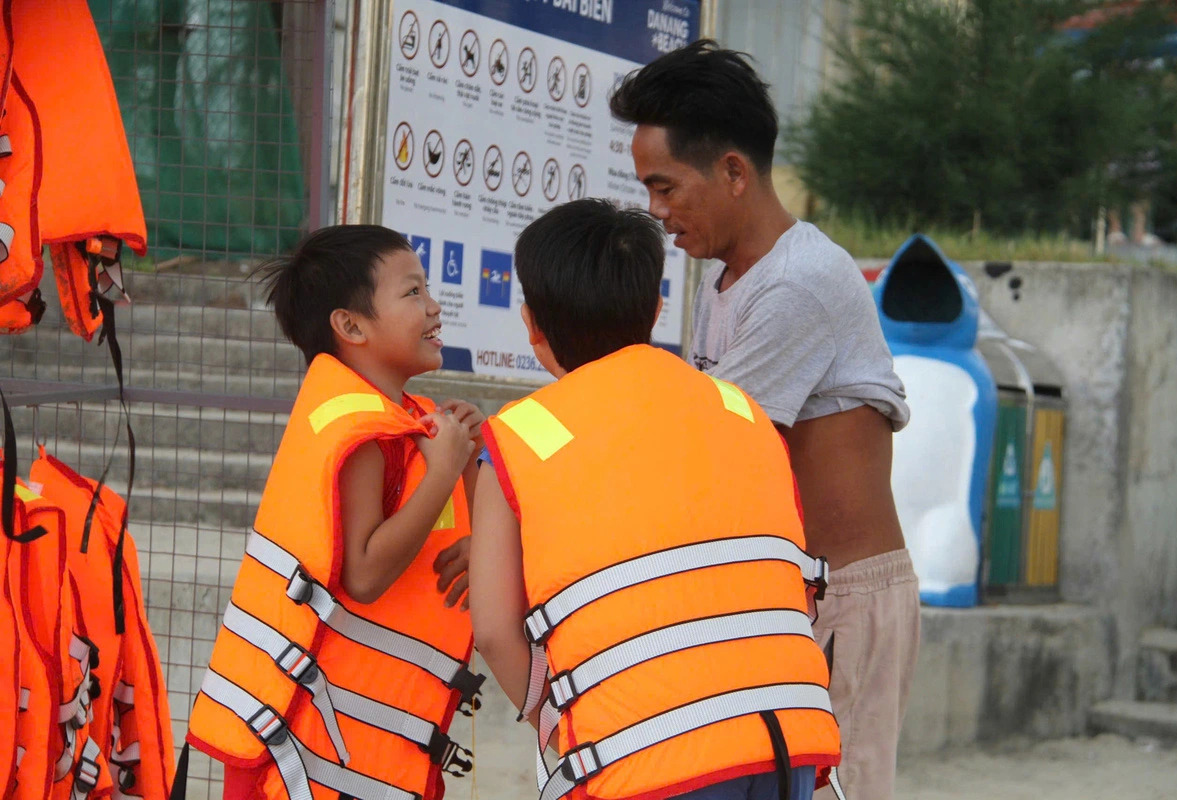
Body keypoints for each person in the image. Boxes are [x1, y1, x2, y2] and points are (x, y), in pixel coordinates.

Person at [609, 40, 919, 800]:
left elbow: (706, 448)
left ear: (734, 173)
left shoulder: (798, 284)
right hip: (784, 597)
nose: (655, 210)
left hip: (842, 600)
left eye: (665, 186)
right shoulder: (731, 283)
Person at [470, 199, 840, 800]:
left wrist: (557, 728)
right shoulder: (741, 411)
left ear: (531, 323)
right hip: (784, 736)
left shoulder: (520, 435)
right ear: (657, 310)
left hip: (647, 753)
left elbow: (491, 627)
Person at [180, 225, 485, 800]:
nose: (434, 306)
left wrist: (461, 459)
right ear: (349, 326)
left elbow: (439, 523)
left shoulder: (396, 418)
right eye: (413, 292)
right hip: (301, 752)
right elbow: (364, 575)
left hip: (327, 739)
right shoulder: (363, 435)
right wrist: (444, 469)